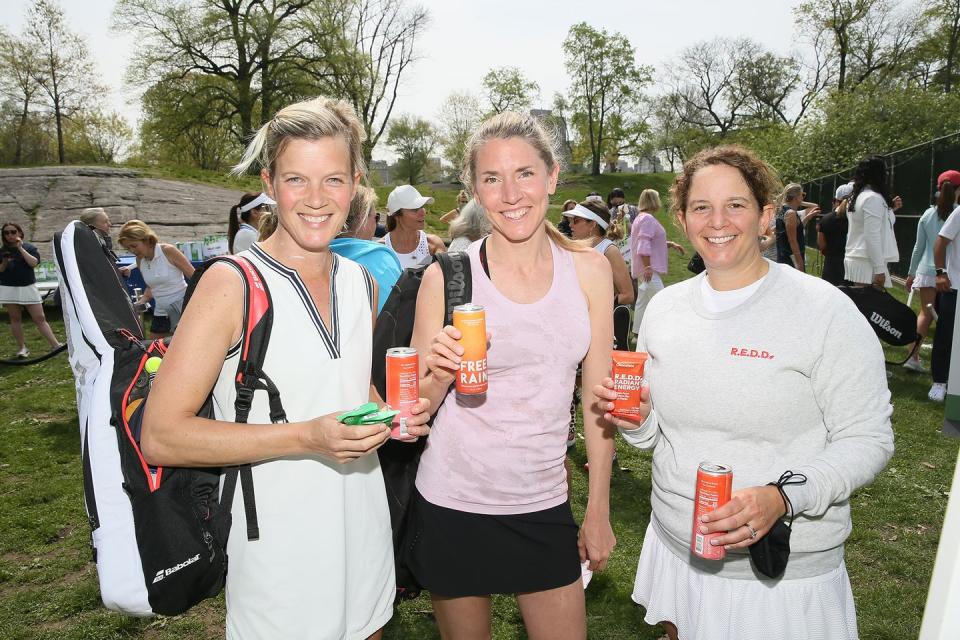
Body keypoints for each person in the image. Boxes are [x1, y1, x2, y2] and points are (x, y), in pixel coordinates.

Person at [140, 96, 432, 639]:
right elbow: (161, 435)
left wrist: (391, 414)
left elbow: (345, 386)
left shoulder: (360, 282)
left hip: (363, 528)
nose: (317, 200)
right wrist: (307, 438)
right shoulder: (231, 283)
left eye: (334, 180)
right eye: (297, 179)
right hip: (276, 547)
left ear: (356, 183)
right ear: (269, 183)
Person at [594, 145, 894, 640]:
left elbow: (869, 439)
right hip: (678, 547)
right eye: (701, 207)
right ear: (683, 220)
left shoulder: (824, 311)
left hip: (782, 574)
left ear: (765, 217)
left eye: (735, 204)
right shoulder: (665, 311)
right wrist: (638, 418)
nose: (718, 221)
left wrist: (784, 497)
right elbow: (654, 440)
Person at [406, 111, 616, 639]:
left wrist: (598, 509)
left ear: (552, 177)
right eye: (492, 179)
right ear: (474, 189)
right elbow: (412, 409)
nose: (510, 193)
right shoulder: (447, 278)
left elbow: (600, 399)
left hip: (543, 499)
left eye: (524, 173)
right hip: (454, 498)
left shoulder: (590, 271)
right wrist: (438, 372)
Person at [905, 170, 960, 375]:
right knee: (948, 321)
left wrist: (911, 273)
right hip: (950, 273)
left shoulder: (927, 214)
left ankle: (913, 357)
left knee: (925, 314)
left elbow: (918, 247)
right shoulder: (958, 212)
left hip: (926, 272)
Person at [329, 184, 402, 314]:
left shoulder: (310, 256)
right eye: (376, 217)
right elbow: (399, 314)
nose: (376, 224)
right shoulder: (380, 259)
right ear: (362, 218)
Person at [117, 220, 195, 338]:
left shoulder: (168, 251)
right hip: (161, 312)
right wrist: (141, 302)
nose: (132, 251)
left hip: (183, 309)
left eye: (134, 246)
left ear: (146, 240)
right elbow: (151, 287)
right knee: (155, 350)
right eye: (128, 248)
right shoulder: (140, 260)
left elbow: (194, 276)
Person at [0, 222, 61, 358]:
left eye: (13, 232)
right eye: (6, 233)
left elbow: (34, 263)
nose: (10, 235)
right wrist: (4, 261)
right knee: (15, 318)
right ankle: (22, 348)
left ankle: (55, 345)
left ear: (20, 233)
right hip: (9, 288)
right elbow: (1, 270)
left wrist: (20, 249)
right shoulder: (2, 251)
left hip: (28, 286)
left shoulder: (29, 247)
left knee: (40, 317)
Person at [629, 189, 685, 333]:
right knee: (661, 299)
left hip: (642, 268)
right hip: (648, 270)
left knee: (642, 302)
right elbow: (643, 244)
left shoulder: (640, 218)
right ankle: (667, 330)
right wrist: (648, 267)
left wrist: (670, 244)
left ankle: (637, 333)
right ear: (654, 200)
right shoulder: (648, 219)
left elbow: (649, 241)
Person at [563, 199, 635, 306]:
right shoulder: (575, 247)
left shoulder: (609, 251)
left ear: (593, 224)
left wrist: (595, 307)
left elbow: (628, 295)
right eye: (571, 220)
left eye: (576, 220)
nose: (570, 225)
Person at [844, 156, 900, 287]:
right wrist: (879, 269)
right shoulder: (873, 198)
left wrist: (891, 209)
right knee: (870, 306)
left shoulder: (858, 196)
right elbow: (871, 235)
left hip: (861, 259)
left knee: (862, 304)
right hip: (868, 262)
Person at [930, 199, 960, 402]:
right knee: (946, 336)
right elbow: (940, 241)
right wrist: (941, 273)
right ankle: (939, 382)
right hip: (955, 286)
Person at [383, 184, 446, 268]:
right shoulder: (380, 248)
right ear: (396, 215)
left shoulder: (434, 245)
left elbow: (444, 278)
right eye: (415, 209)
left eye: (422, 207)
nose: (423, 212)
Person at [775, 183, 820, 271]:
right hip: (790, 258)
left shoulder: (783, 210)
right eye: (802, 195)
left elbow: (792, 231)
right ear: (796, 197)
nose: (803, 197)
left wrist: (807, 218)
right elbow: (792, 240)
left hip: (785, 255)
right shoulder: (790, 213)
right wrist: (799, 263)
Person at [816, 184, 852, 286]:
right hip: (850, 266)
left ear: (836, 200)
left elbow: (821, 245)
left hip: (831, 266)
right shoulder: (856, 219)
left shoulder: (826, 219)